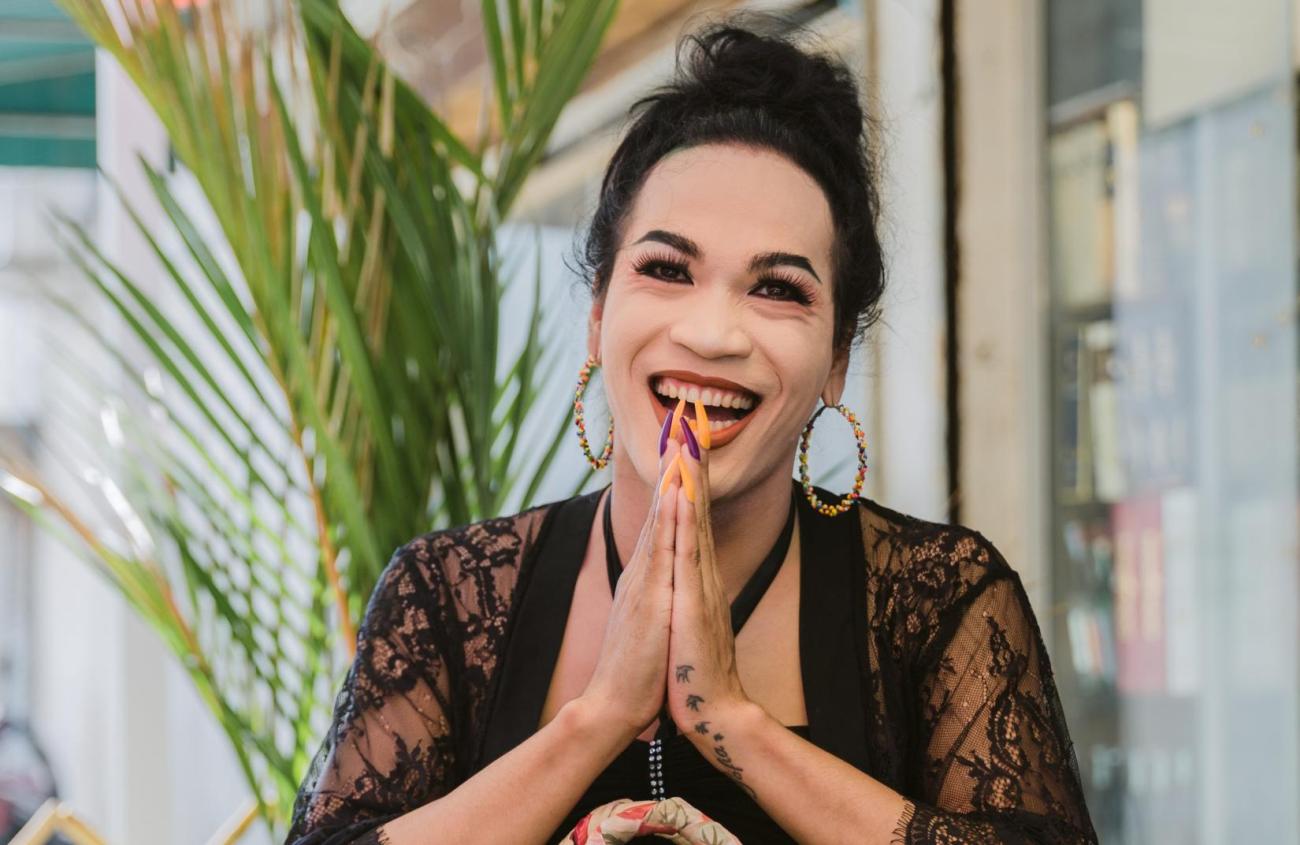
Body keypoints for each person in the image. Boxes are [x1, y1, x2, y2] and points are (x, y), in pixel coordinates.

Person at [285, 13, 1098, 845]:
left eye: (778, 288)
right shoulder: (448, 594)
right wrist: (598, 718)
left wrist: (734, 723)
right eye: (667, 269)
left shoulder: (940, 599)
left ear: (836, 360)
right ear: (600, 315)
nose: (712, 333)